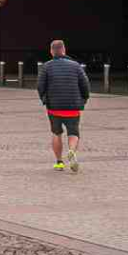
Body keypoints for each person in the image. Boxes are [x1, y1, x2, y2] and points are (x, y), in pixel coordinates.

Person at [36, 39, 90, 173]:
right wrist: (84, 99)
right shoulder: (76, 65)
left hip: (54, 107)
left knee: (56, 133)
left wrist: (44, 99)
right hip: (73, 107)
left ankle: (59, 162)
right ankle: (71, 151)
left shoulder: (46, 66)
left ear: (51, 51)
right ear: (64, 50)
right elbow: (85, 85)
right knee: (73, 133)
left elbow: (40, 86)